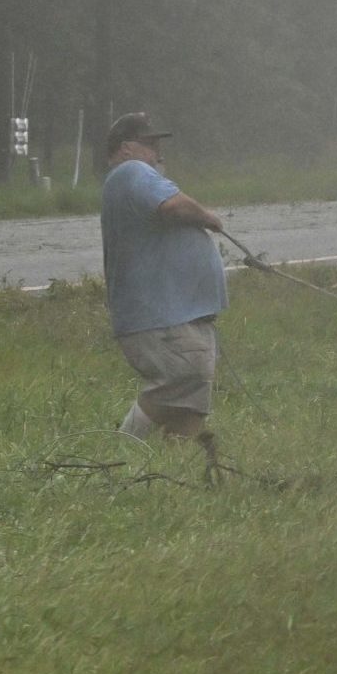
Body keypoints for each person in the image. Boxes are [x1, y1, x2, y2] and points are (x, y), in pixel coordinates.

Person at [98, 112, 229, 445]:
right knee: (183, 378)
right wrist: (208, 218)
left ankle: (176, 471)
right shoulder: (131, 172)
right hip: (160, 314)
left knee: (192, 401)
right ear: (126, 148)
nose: (158, 153)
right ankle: (122, 446)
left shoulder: (131, 176)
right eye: (150, 144)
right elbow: (172, 206)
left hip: (183, 312)